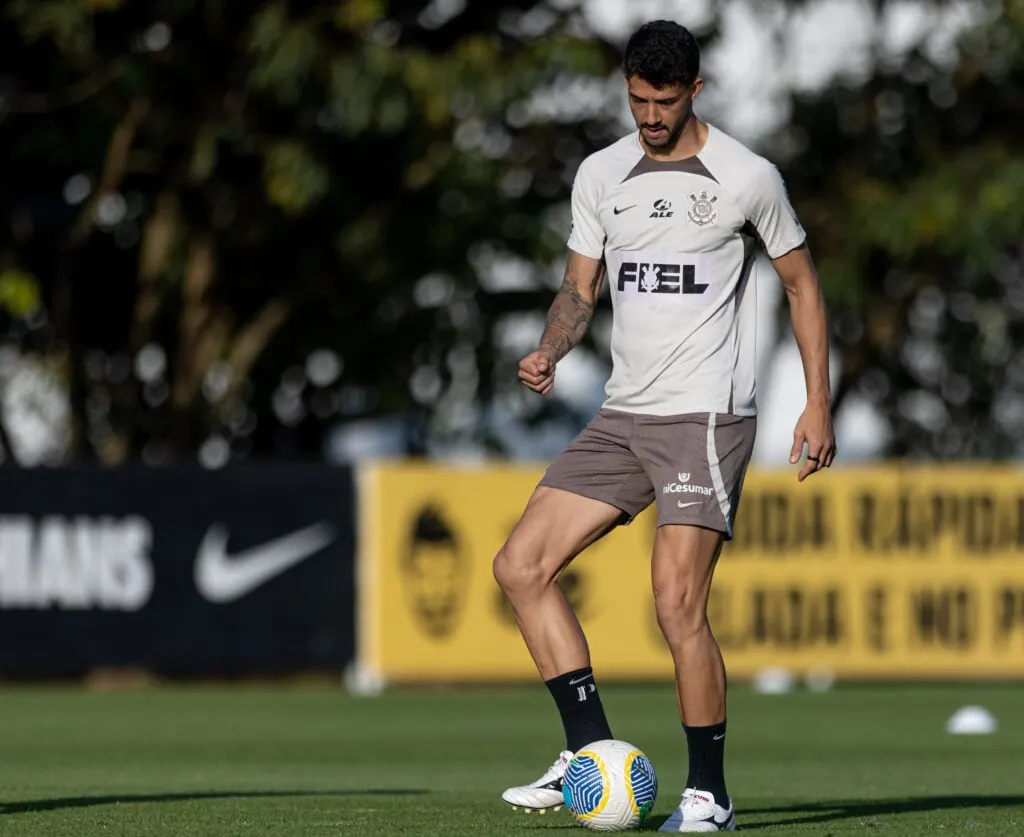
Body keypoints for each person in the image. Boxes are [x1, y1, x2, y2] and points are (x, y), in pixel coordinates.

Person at [493, 19, 836, 833]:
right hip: (623, 413)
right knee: (519, 566)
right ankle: (588, 755)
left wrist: (818, 401)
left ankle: (708, 792)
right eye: (638, 99)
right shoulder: (601, 173)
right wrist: (549, 347)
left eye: (665, 100)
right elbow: (580, 289)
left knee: (676, 604)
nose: (650, 115)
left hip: (706, 416)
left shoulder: (747, 176)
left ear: (696, 91)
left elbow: (803, 285)